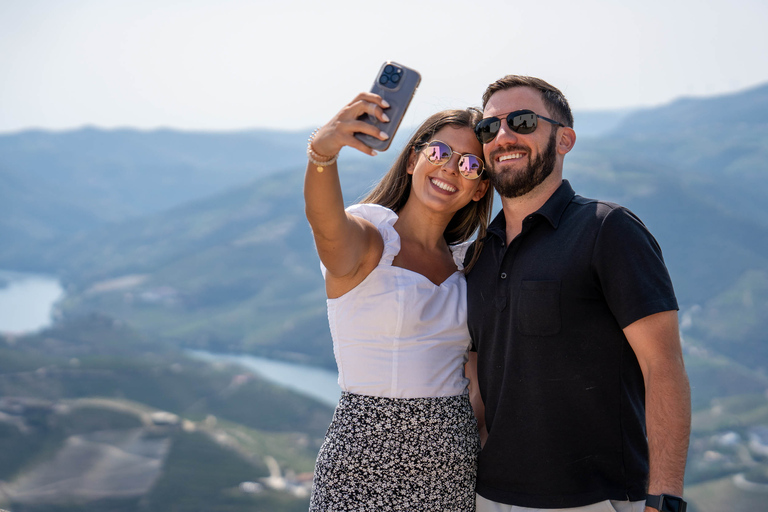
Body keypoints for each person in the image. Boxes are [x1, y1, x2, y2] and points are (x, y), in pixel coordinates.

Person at [465, 76, 692, 512]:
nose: (503, 137)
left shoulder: (608, 229)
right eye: (489, 128)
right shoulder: (478, 254)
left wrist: (665, 498)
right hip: (488, 496)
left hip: (596, 499)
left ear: (564, 139)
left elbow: (663, 366)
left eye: (523, 121)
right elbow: (480, 381)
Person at [304, 91, 493, 511]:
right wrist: (322, 153)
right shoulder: (372, 240)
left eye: (469, 164)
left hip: (452, 473)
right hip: (366, 464)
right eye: (440, 151)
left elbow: (475, 374)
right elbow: (327, 229)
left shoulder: (470, 267)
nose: (450, 168)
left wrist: (469, 440)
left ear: (480, 190)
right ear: (413, 160)